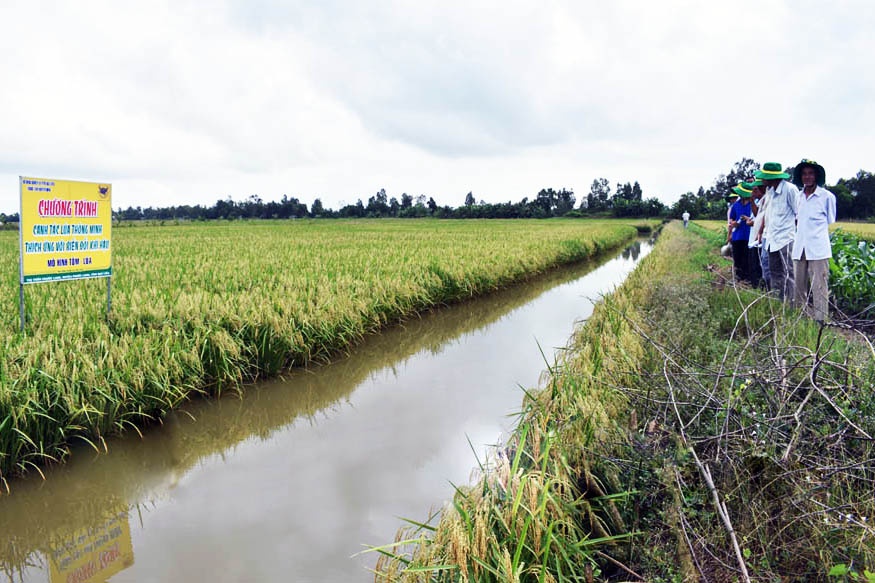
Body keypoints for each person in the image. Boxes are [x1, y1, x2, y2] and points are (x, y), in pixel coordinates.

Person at [791, 159, 836, 322]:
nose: (807, 177)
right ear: (800, 177)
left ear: (816, 176)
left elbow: (830, 220)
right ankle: (801, 319)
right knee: (798, 286)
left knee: (819, 287)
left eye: (811, 173)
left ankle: (821, 321)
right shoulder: (798, 197)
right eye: (804, 174)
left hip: (818, 249)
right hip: (800, 248)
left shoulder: (827, 197)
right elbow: (798, 220)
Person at [755, 162, 799, 300]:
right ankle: (777, 303)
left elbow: (799, 214)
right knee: (775, 273)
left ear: (771, 177)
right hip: (772, 239)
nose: (762, 180)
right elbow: (768, 216)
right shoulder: (770, 192)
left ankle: (791, 305)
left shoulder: (790, 190)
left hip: (786, 239)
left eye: (764, 177)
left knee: (789, 273)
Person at [728, 183, 753, 282]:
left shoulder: (753, 204)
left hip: (749, 237)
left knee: (747, 260)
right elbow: (731, 218)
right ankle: (738, 280)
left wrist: (747, 219)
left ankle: (747, 280)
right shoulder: (736, 205)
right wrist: (733, 223)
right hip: (737, 236)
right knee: (737, 259)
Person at [748, 180, 769, 289]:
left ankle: (763, 288)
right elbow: (758, 215)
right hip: (758, 238)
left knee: (762, 266)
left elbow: (764, 219)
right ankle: (758, 287)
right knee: (758, 265)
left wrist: (760, 232)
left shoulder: (768, 199)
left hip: (764, 238)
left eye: (755, 190)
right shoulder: (761, 201)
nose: (753, 192)